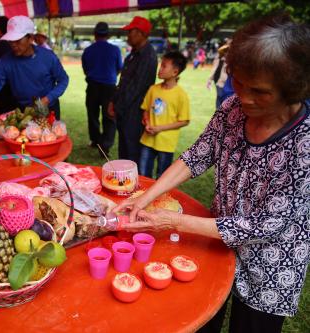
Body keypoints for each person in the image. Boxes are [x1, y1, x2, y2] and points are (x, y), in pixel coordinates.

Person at [114, 14, 310, 333]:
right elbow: (196, 156)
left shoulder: (305, 142)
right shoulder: (233, 109)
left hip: (271, 262)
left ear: (292, 90)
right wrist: (144, 198)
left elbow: (268, 223)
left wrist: (173, 221)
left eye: (259, 91)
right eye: (238, 82)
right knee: (205, 317)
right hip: (215, 239)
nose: (243, 96)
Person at [0, 16, 69, 119]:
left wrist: (47, 99)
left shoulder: (48, 57)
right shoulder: (6, 61)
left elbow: (63, 80)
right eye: (11, 40)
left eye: (18, 40)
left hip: (49, 109)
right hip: (22, 111)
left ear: (31, 38)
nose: (13, 45)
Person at [108, 16, 158, 165]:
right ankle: (123, 183)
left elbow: (136, 88)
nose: (128, 35)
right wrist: (113, 101)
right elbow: (123, 83)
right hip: (125, 111)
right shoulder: (132, 55)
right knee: (124, 151)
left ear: (142, 33)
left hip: (135, 113)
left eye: (131, 32)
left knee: (131, 153)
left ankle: (131, 186)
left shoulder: (147, 56)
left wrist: (118, 107)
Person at [139, 51, 190, 178]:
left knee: (162, 176)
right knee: (143, 174)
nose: (160, 69)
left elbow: (184, 120)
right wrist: (147, 122)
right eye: (160, 65)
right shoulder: (153, 89)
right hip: (147, 140)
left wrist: (159, 128)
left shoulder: (181, 95)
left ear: (175, 72)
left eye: (164, 66)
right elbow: (145, 109)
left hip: (166, 144)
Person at [81, 22, 122, 155]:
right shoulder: (115, 50)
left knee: (92, 115)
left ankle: (96, 141)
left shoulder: (88, 50)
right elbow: (119, 68)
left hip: (93, 85)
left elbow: (86, 69)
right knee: (109, 116)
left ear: (95, 34)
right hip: (109, 87)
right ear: (108, 34)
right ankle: (105, 145)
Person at [207, 42, 230, 108]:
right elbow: (213, 70)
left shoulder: (233, 60)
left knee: (225, 96)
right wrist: (209, 80)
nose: (227, 53)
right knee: (220, 95)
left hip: (228, 82)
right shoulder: (219, 59)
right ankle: (218, 110)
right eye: (226, 51)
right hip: (218, 80)